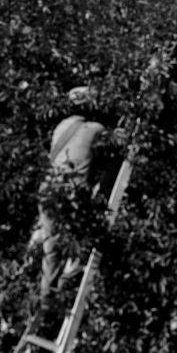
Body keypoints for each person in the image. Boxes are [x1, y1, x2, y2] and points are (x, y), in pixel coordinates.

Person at [28, 85, 110, 304]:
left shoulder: (60, 127)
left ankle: (46, 296)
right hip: (71, 193)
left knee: (51, 248)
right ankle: (68, 279)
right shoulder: (96, 129)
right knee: (85, 236)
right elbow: (115, 150)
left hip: (47, 189)